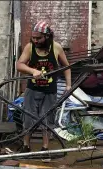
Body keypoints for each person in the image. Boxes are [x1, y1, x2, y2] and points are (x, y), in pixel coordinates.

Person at [16, 20, 71, 153]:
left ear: (47, 36)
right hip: (32, 90)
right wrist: (32, 71)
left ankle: (45, 148)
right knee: (28, 118)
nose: (35, 40)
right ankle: (26, 146)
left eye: (38, 38)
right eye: (33, 38)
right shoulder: (30, 47)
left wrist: (68, 85)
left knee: (47, 120)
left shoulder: (56, 47)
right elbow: (19, 65)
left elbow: (67, 67)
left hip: (49, 91)